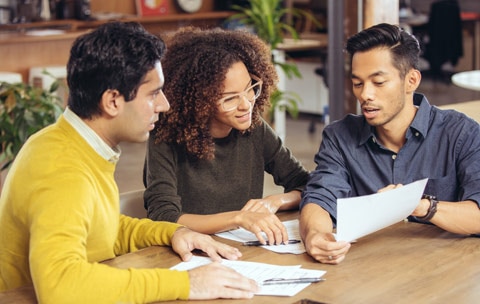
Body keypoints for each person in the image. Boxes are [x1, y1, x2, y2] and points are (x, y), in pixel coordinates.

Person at [0, 22, 259, 303]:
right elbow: (61, 287)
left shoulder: (74, 144)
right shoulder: (61, 169)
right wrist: (186, 283)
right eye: (152, 94)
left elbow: (102, 229)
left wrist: (174, 232)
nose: (164, 105)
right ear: (112, 101)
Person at [300, 23, 480, 264]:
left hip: (445, 273)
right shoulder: (339, 136)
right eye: (358, 83)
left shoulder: (461, 133)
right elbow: (320, 198)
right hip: (372, 273)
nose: (366, 95)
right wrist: (315, 236)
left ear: (411, 80)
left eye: (379, 82)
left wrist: (417, 205)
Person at [143, 26, 309, 245]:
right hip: (190, 252)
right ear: (199, 103)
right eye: (230, 99)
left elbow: (306, 184)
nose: (246, 104)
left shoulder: (254, 129)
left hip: (242, 249)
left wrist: (275, 201)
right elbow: (163, 217)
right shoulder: (166, 136)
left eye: (250, 88)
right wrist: (239, 218)